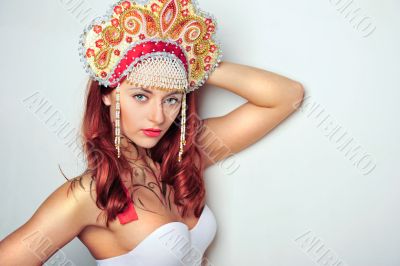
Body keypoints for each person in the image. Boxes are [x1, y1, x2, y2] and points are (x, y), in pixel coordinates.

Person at [0, 0, 304, 265]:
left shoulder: (185, 159)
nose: (158, 117)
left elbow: (285, 96)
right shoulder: (90, 195)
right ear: (108, 93)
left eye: (172, 99)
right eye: (141, 96)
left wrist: (191, 62)